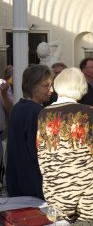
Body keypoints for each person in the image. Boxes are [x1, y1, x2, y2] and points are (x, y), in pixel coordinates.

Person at [37, 67, 93, 223]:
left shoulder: (43, 113)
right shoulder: (86, 113)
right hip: (85, 190)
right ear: (81, 87)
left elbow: (42, 152)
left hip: (54, 188)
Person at [6, 65, 53, 199]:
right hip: (32, 183)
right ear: (32, 86)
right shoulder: (36, 112)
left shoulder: (18, 107)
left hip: (17, 180)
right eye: (46, 86)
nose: (50, 90)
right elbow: (39, 152)